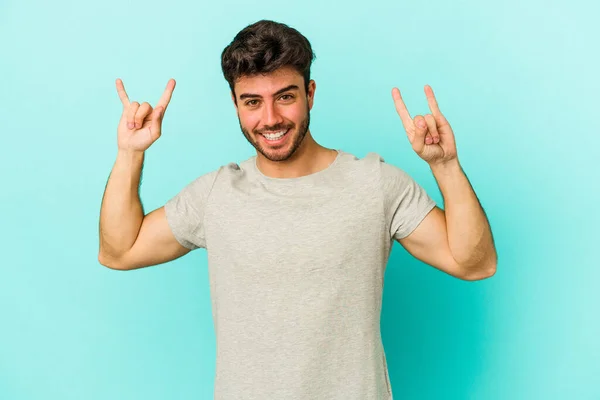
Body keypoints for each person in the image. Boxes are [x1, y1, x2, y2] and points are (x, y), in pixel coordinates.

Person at [98, 19, 497, 400]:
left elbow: (474, 263)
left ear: (309, 94)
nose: (270, 118)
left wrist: (445, 165)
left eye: (285, 97)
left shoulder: (375, 184)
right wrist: (130, 154)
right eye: (252, 101)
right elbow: (120, 250)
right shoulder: (216, 193)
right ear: (235, 105)